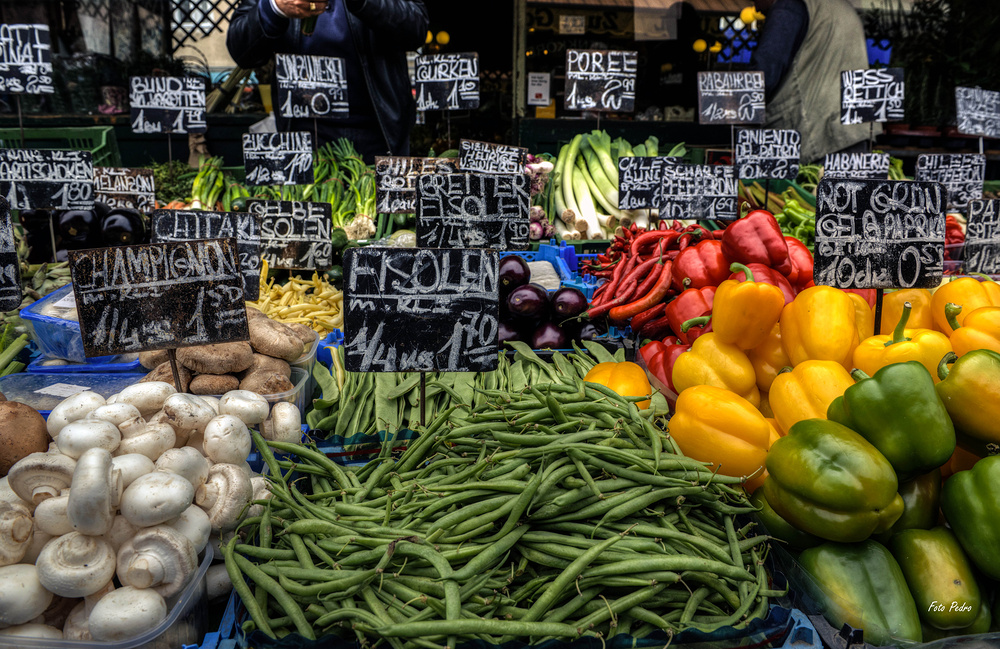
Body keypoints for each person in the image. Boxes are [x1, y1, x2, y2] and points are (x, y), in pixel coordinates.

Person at [227, 0, 429, 162]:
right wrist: (275, 8)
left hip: (376, 131)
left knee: (375, 210)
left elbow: (416, 28)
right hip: (301, 136)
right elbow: (241, 50)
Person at [749, 0, 876, 163]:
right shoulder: (842, 7)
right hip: (854, 134)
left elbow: (764, 75)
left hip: (815, 137)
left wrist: (726, 105)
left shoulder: (789, 6)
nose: (754, 6)